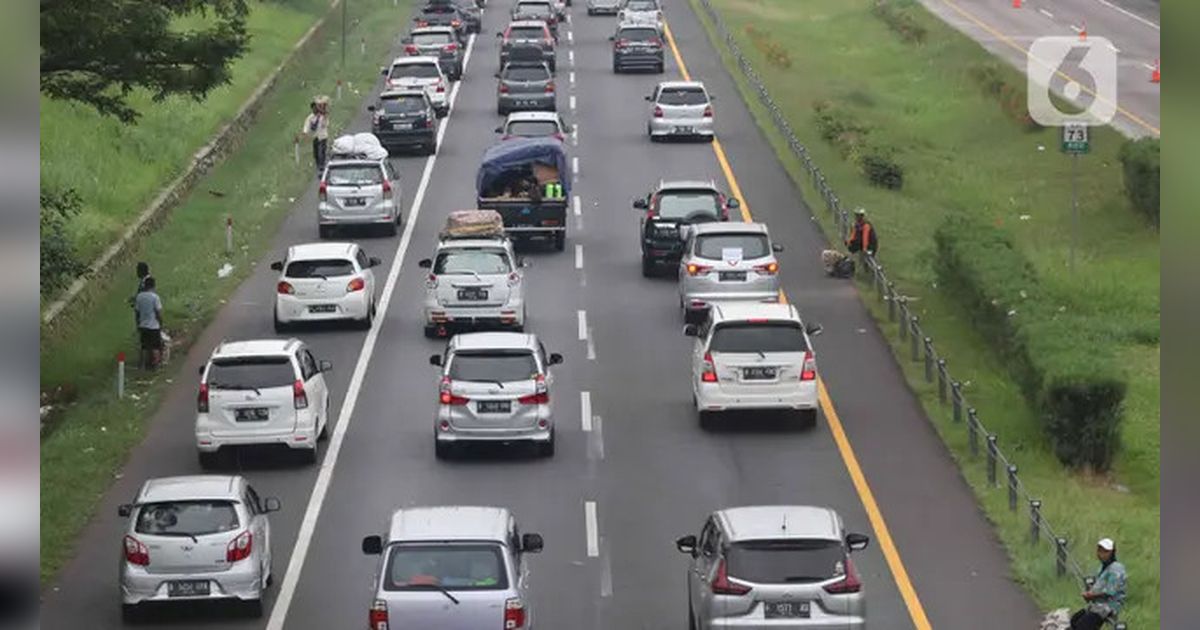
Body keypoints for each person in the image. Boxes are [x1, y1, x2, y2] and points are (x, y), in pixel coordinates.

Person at [1070, 538, 1126, 629]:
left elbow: (1109, 592)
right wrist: (1090, 593)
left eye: (1106, 552)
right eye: (1100, 551)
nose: (1102, 554)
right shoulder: (1102, 567)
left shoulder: (1116, 569)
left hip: (1109, 605)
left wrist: (1091, 596)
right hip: (1098, 604)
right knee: (1074, 620)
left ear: (1112, 553)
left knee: (1082, 626)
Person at [134, 276, 165, 370]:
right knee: (155, 346)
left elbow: (137, 312)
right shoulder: (155, 297)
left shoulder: (139, 297)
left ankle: (142, 365)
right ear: (153, 286)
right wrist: (161, 323)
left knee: (144, 346)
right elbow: (158, 312)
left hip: (143, 325)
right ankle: (155, 365)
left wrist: (138, 324)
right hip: (153, 325)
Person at [298, 97, 330, 176]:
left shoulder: (323, 116)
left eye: (316, 108)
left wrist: (323, 116)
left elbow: (325, 124)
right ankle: (318, 164)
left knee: (321, 151)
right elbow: (307, 125)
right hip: (315, 137)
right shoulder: (310, 118)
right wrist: (305, 133)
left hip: (323, 136)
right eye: (313, 108)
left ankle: (322, 165)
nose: (314, 110)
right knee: (316, 152)